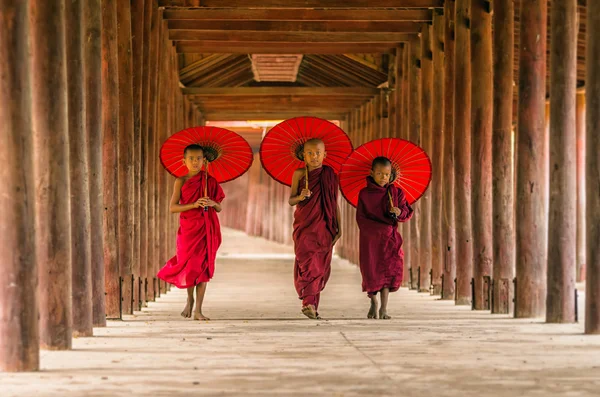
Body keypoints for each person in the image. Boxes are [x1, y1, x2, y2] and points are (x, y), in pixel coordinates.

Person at [157, 144, 224, 321]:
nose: (195, 162)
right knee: (191, 266)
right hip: (189, 229)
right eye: (191, 159)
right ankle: (190, 299)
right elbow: (173, 207)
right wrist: (194, 205)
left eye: (199, 159)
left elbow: (219, 207)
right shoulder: (181, 181)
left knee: (203, 267)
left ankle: (198, 310)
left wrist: (211, 203)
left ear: (204, 160)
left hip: (207, 229)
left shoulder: (210, 181)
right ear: (184, 161)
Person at [288, 138, 341, 319]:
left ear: (325, 155)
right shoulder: (299, 174)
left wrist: (339, 228)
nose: (314, 156)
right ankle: (308, 303)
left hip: (324, 225)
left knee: (319, 264)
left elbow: (334, 203)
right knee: (307, 261)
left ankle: (311, 305)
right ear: (303, 155)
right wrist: (301, 196)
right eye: (310, 153)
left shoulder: (330, 175)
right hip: (304, 225)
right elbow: (291, 200)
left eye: (318, 153)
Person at [356, 157, 413, 320]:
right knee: (371, 271)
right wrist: (376, 229)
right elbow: (361, 218)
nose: (383, 177)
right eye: (379, 173)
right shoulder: (365, 194)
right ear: (372, 173)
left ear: (391, 175)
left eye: (386, 174)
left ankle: (384, 309)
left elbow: (407, 211)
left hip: (390, 238)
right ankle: (373, 301)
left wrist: (398, 212)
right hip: (370, 239)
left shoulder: (396, 193)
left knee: (387, 272)